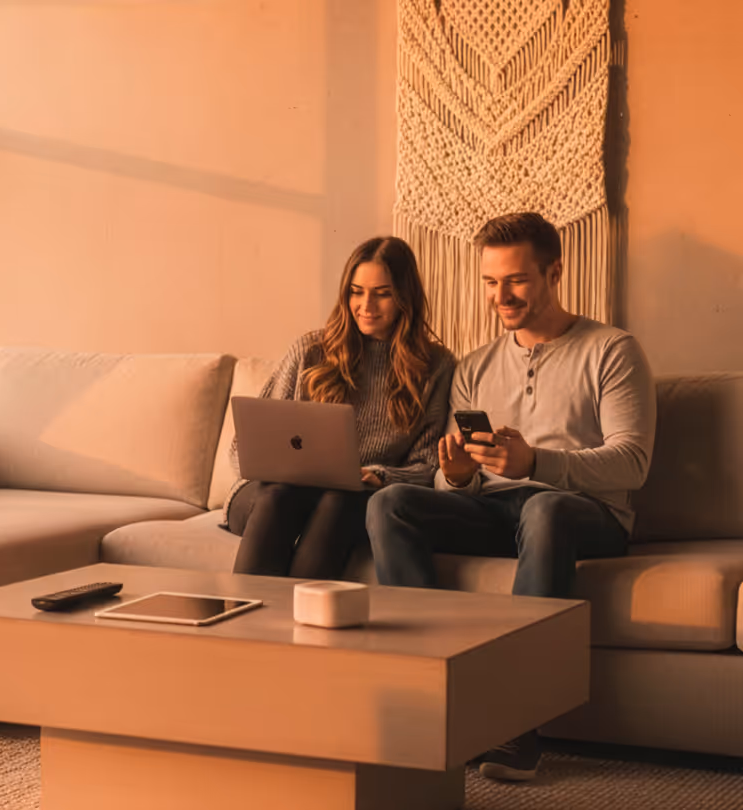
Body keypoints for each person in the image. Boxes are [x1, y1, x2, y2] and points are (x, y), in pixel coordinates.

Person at [366, 212, 656, 783]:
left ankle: (515, 722)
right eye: (491, 282)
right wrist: (455, 478)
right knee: (390, 503)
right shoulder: (475, 366)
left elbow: (633, 462)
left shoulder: (612, 350)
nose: (501, 296)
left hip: (582, 512)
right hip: (496, 509)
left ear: (554, 273)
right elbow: (462, 480)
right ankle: (431, 688)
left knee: (543, 506)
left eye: (517, 280)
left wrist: (538, 464)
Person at [225, 236, 454, 580]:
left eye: (382, 293)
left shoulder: (435, 366)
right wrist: (274, 466)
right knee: (280, 497)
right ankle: (244, 613)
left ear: (405, 297)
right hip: (271, 495)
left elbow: (428, 464)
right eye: (356, 292)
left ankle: (300, 613)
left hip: (350, 498)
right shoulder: (310, 350)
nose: (366, 305)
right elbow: (243, 447)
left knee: (340, 500)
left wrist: (380, 475)